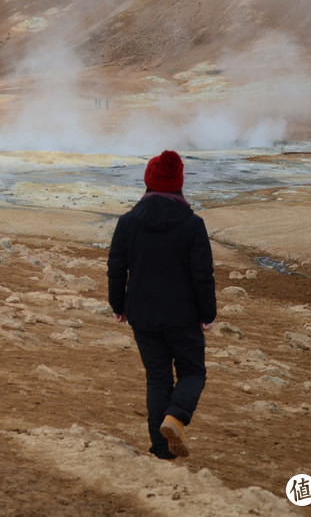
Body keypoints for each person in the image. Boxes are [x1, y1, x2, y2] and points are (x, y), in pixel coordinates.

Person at [107, 150, 216, 460]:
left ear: (149, 182)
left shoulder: (127, 222)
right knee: (193, 374)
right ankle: (176, 417)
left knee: (158, 379)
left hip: (143, 314)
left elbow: (117, 268)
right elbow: (202, 276)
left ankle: (160, 448)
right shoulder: (192, 224)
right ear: (178, 183)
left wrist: (118, 305)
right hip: (183, 316)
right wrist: (208, 314)